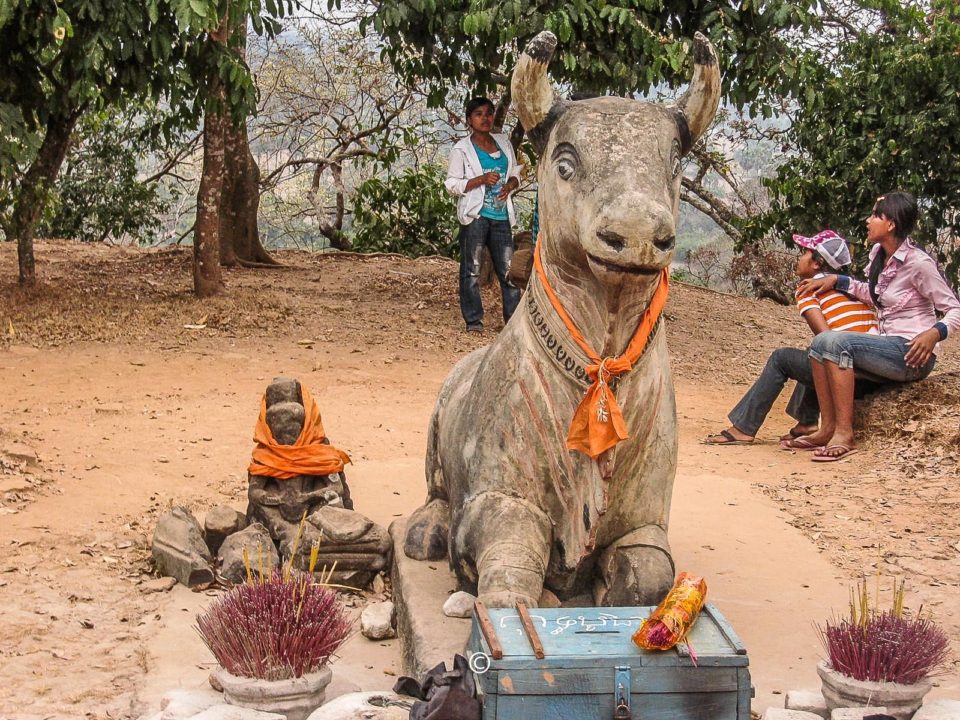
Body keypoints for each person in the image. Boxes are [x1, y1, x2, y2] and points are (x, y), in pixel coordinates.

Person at [793, 192, 960, 461]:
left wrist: (934, 333)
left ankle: (845, 433)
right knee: (820, 343)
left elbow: (954, 309)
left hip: (910, 353)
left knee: (836, 341)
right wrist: (838, 280)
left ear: (891, 224)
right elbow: (875, 295)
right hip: (885, 346)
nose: (868, 220)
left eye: (875, 215)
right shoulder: (879, 255)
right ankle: (827, 429)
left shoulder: (918, 263)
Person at [705, 230, 879, 445]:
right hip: (872, 374)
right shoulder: (852, 287)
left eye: (804, 253)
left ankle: (744, 427)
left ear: (816, 263)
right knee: (810, 354)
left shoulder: (808, 289)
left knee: (784, 358)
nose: (799, 258)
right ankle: (806, 422)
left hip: (848, 379)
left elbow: (826, 342)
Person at [445, 97, 522, 333]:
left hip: (501, 218)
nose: (485, 118)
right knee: (471, 270)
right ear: (469, 119)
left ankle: (514, 321)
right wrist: (480, 180)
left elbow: (516, 171)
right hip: (476, 216)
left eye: (488, 113)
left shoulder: (503, 144)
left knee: (509, 270)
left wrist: (510, 184)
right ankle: (474, 321)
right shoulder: (462, 150)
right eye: (478, 114)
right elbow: (451, 184)